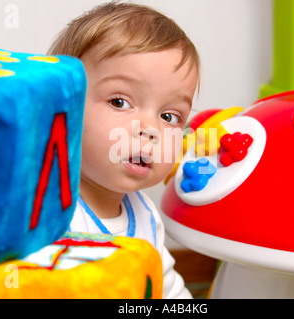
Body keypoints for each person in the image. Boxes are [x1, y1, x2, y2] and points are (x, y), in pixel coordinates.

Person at [48, 1, 200, 298]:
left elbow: (165, 287)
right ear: (64, 106)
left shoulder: (144, 214)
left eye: (169, 117)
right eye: (120, 102)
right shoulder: (49, 212)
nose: (150, 129)